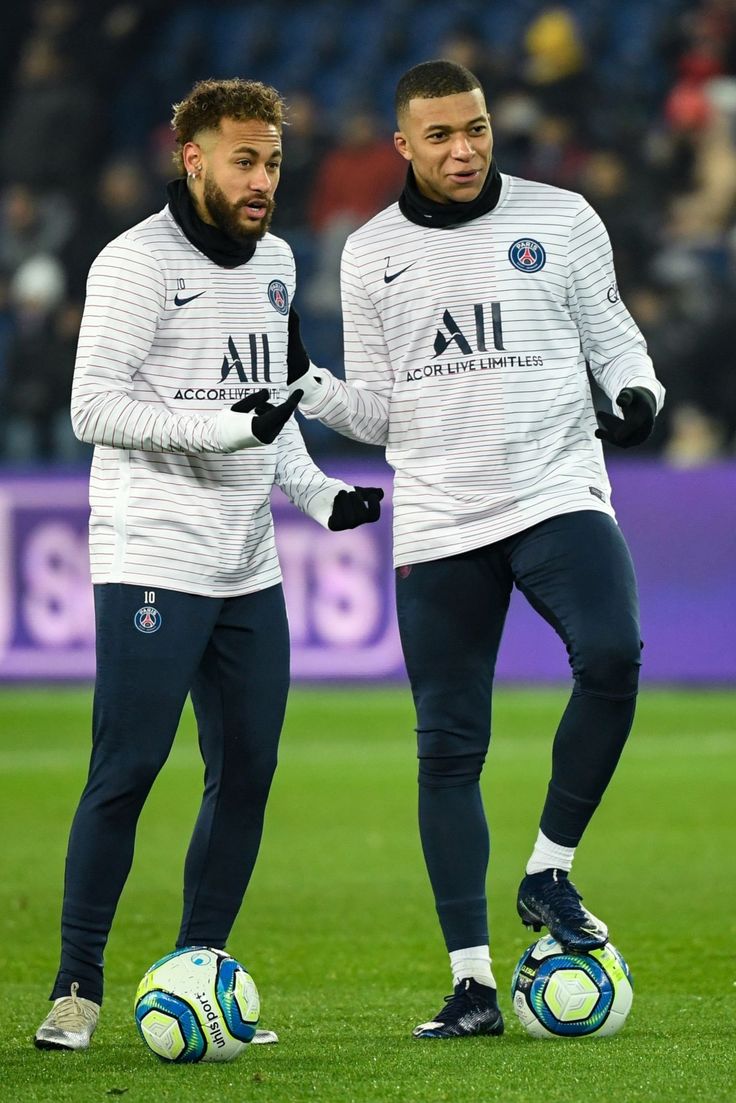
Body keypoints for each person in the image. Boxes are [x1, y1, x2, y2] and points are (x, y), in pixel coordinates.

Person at [286, 59, 664, 1040]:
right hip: (443, 517)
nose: (464, 150)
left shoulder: (563, 218)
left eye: (478, 129)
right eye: (441, 136)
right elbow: (377, 408)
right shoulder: (369, 255)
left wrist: (639, 392)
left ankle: (548, 866)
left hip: (553, 490)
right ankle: (470, 985)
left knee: (613, 651)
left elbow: (614, 334)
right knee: (447, 749)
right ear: (401, 145)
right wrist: (311, 389)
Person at [33, 77, 383, 1052]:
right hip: (152, 548)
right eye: (245, 158)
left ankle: (198, 968)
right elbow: (91, 409)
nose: (264, 176)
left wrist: (317, 494)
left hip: (246, 563)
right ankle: (75, 984)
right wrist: (219, 429)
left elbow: (266, 411)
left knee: (248, 769)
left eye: (273, 159)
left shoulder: (275, 262)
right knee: (129, 765)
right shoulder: (134, 263)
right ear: (192, 158)